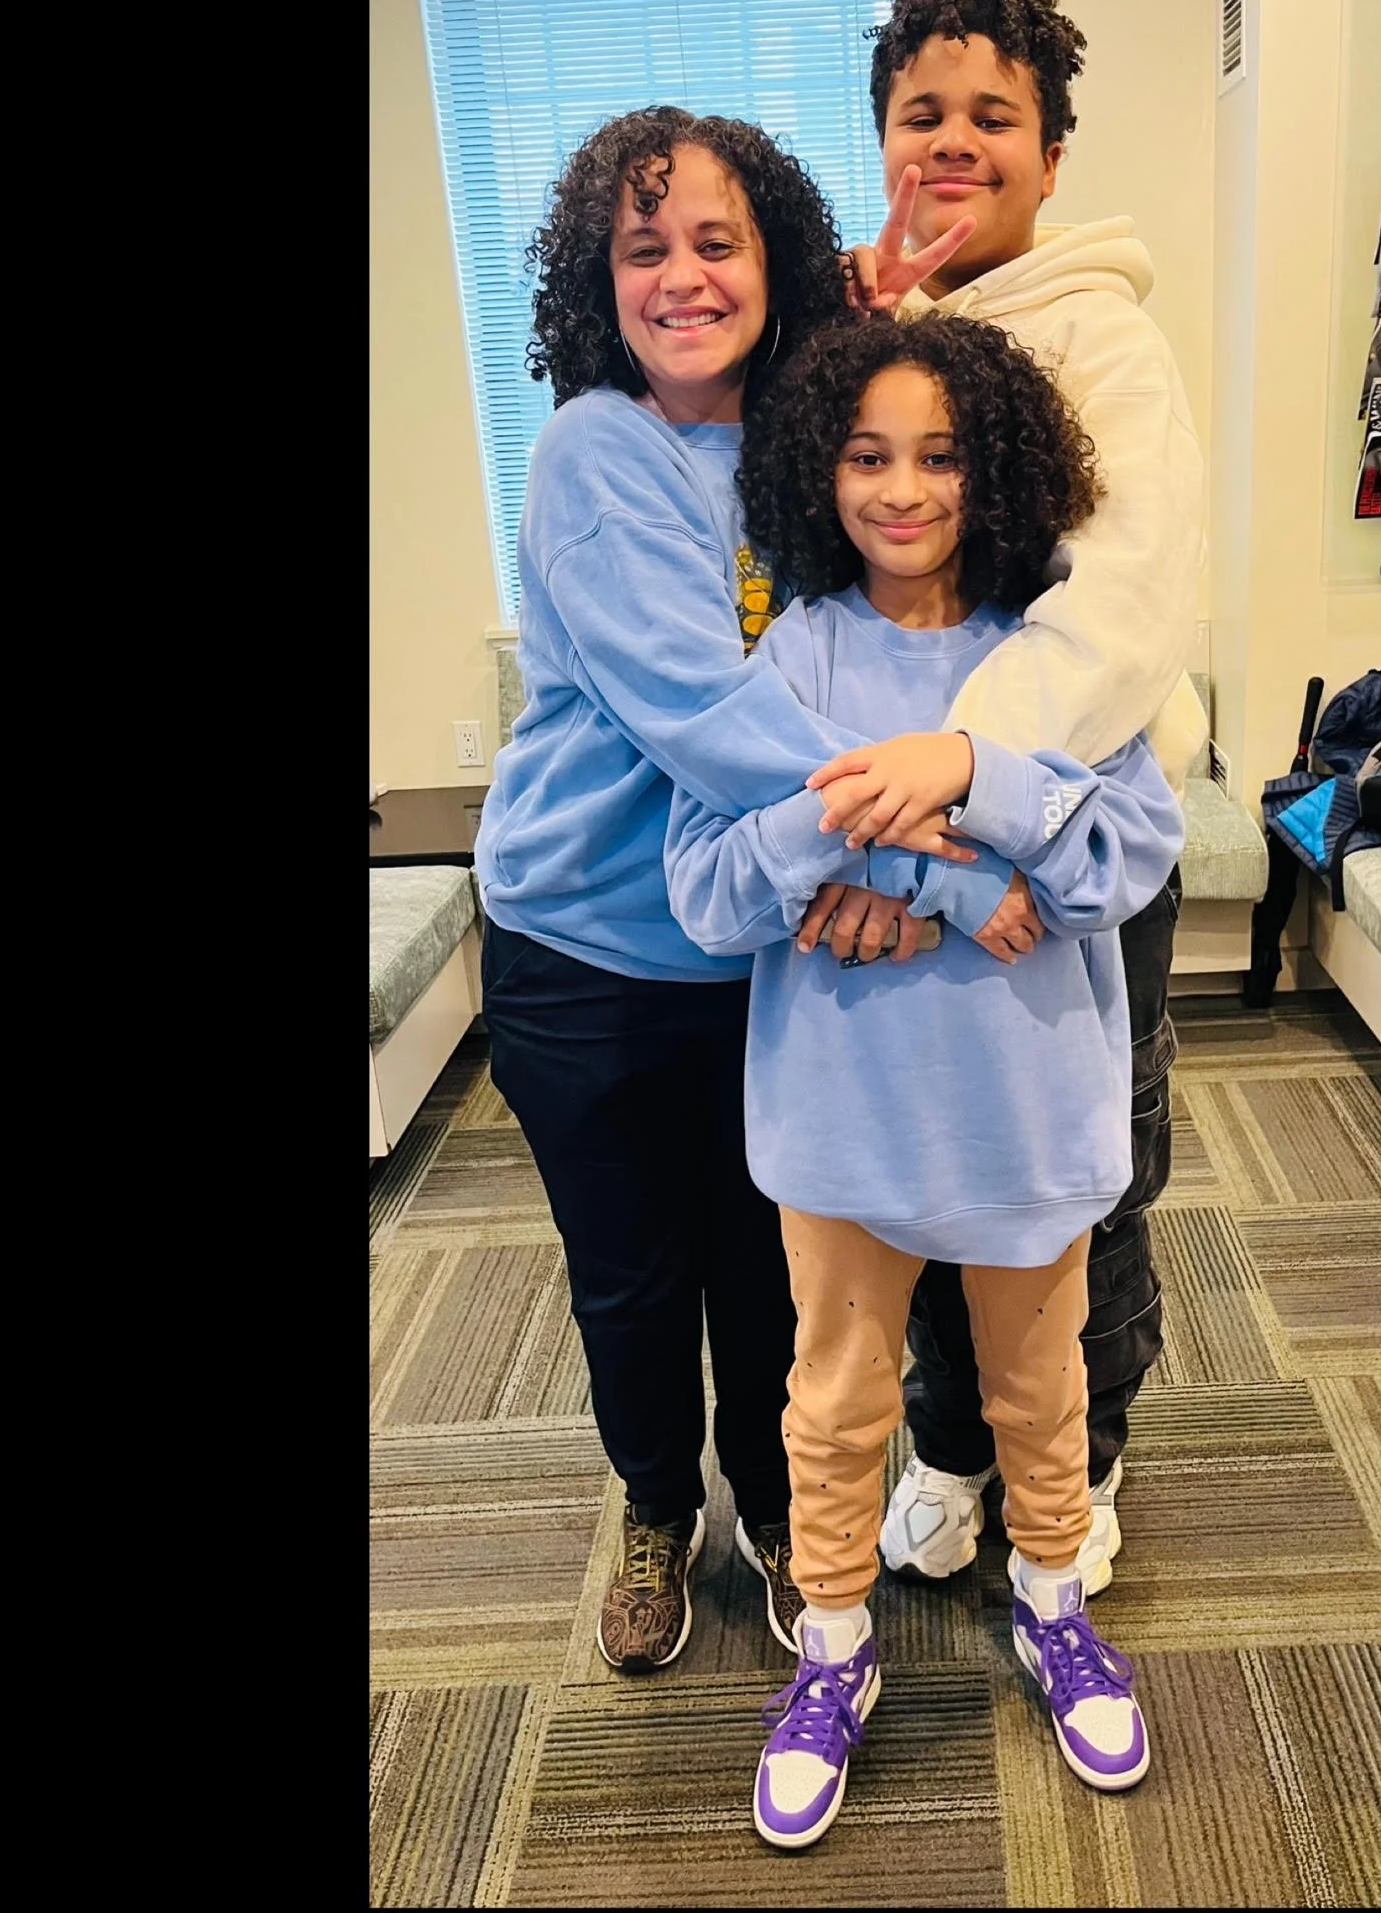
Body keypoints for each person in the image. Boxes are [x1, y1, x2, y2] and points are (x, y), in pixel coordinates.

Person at [665, 315, 1185, 1847]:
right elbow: (709, 887)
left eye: (943, 455)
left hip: (1024, 1110)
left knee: (1040, 1393)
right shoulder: (796, 653)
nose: (903, 490)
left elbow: (1122, 854)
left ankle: (1048, 1599)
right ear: (817, 466)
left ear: (1004, 465)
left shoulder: (1064, 652)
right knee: (834, 1406)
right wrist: (933, 869)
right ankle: (832, 1646)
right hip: (842, 1115)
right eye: (868, 454)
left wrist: (966, 776)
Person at [472, 106, 972, 1675]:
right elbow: (706, 705)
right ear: (594, 282)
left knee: (771, 1265)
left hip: (762, 947)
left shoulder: (810, 435)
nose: (682, 278)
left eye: (716, 242)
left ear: (773, 260)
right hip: (586, 950)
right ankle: (649, 1505)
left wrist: (891, 323)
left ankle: (768, 1499)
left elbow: (915, 586)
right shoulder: (589, 451)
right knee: (632, 1274)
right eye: (645, 250)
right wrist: (916, 840)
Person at [808, 0, 1210, 1594]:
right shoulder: (871, 339)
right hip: (903, 851)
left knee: (1076, 1172)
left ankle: (1081, 1456)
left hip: (1072, 848)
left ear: (1052, 154)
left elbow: (1126, 595)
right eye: (924, 116)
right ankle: (959, 1447)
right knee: (917, 1157)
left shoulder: (1102, 341)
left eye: (996, 117)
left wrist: (961, 772)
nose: (957, 143)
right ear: (883, 141)